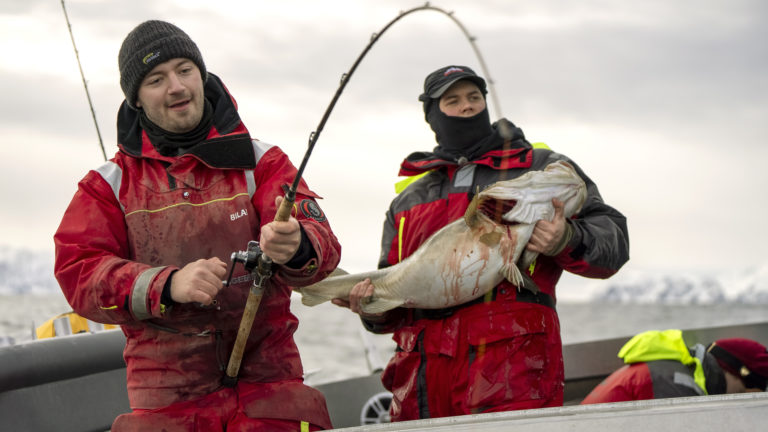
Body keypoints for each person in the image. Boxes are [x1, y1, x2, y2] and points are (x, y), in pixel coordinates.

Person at [53, 20, 341, 431]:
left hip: (270, 394)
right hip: (167, 404)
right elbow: (77, 272)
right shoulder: (108, 185)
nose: (176, 86)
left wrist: (298, 245)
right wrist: (165, 284)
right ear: (136, 98)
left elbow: (324, 247)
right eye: (156, 78)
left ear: (201, 76)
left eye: (185, 70)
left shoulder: (262, 161)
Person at [332, 65, 630, 421]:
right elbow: (392, 306)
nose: (467, 107)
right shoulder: (408, 200)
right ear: (432, 114)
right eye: (453, 100)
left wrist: (568, 238)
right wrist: (369, 306)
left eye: (474, 97)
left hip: (512, 379)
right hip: (420, 387)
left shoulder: (541, 169)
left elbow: (614, 242)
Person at [581, 330, 768, 404]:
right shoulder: (678, 384)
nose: (737, 400)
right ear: (733, 372)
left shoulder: (675, 371)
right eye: (744, 391)